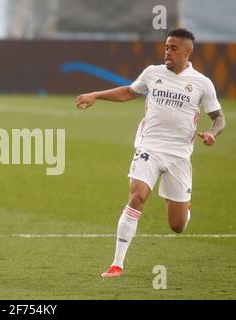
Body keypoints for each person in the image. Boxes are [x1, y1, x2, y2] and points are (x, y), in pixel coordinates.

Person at [75, 28, 226, 278]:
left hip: (178, 156)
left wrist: (212, 132)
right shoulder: (152, 73)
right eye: (166, 47)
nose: (168, 52)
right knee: (137, 197)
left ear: (188, 51)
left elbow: (218, 117)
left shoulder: (202, 83)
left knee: (177, 226)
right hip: (149, 148)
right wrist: (96, 95)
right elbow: (129, 92)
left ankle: (184, 207)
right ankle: (117, 264)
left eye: (174, 48)